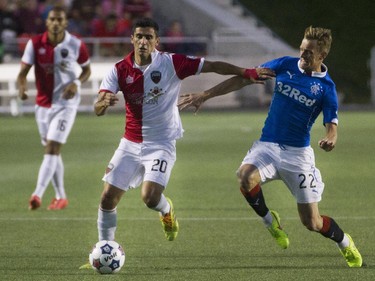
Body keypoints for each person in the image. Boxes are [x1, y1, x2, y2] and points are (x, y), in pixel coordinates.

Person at [81, 17, 273, 259]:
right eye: (139, 36)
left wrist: (246, 71)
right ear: (132, 39)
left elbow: (212, 65)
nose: (143, 41)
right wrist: (103, 102)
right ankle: (104, 250)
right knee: (108, 197)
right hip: (129, 143)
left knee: (150, 198)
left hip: (161, 144)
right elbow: (99, 107)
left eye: (148, 37)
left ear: (156, 41)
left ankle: (167, 209)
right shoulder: (119, 70)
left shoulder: (172, 63)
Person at [178, 26, 363, 268]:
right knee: (245, 176)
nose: (302, 56)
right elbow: (245, 78)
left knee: (312, 222)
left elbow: (332, 124)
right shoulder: (285, 64)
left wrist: (331, 139)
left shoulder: (326, 88)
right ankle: (270, 221)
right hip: (268, 145)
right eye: (301, 50)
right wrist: (206, 94)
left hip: (298, 155)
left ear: (322, 56)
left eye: (308, 53)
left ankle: (344, 242)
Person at [17, 6, 91, 211]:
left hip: (66, 104)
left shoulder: (75, 44)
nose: (56, 23)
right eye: (53, 19)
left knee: (52, 148)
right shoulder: (34, 44)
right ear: (47, 22)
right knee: (52, 152)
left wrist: (76, 82)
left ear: (65, 23)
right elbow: (22, 73)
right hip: (42, 106)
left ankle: (37, 194)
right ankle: (61, 197)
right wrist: (22, 89)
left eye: (60, 20)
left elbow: (87, 70)